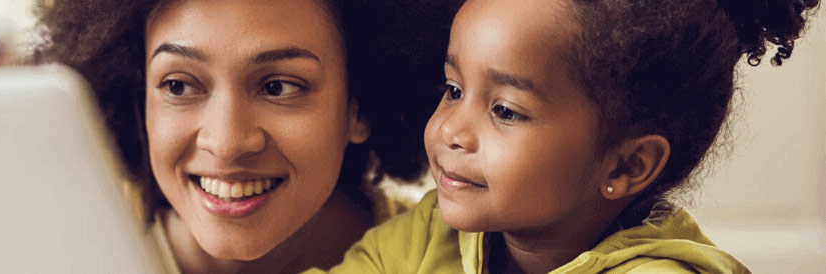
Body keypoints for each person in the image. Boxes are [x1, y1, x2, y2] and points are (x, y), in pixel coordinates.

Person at [310, 0, 818, 273]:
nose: (450, 130)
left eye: (505, 111)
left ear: (626, 166)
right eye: (453, 88)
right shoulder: (430, 234)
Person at [36, 0, 460, 272]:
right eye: (179, 86)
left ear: (361, 104)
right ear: (137, 99)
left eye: (279, 87)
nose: (227, 142)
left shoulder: (453, 257)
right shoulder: (53, 246)